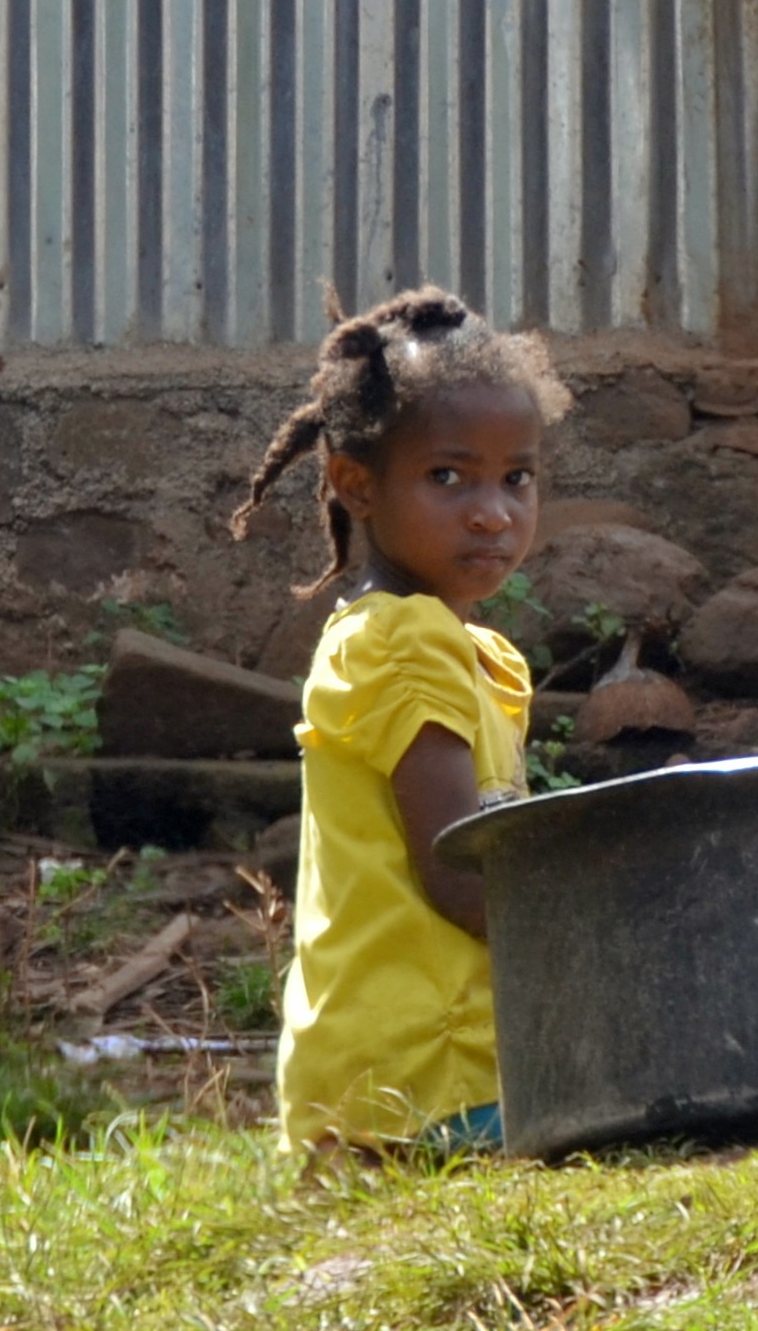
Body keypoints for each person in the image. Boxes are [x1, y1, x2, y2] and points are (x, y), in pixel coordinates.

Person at [229, 287, 572, 1154]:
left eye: (517, 478)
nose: (492, 511)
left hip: (386, 1077)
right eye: (447, 477)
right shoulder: (400, 643)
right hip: (431, 1077)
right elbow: (462, 879)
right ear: (356, 485)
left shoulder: (450, 648)